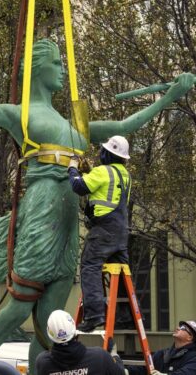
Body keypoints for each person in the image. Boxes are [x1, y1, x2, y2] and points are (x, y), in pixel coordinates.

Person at [0, 27, 194, 375]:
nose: (63, 70)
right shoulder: (20, 114)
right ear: (37, 69)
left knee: (50, 319)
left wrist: (170, 96)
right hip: (42, 207)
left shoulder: (75, 122)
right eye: (56, 62)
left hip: (68, 217)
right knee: (21, 306)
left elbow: (126, 125)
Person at [68, 135, 132, 332]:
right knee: (120, 272)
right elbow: (104, 189)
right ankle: (125, 315)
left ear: (107, 153)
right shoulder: (125, 174)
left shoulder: (103, 171)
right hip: (121, 232)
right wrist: (88, 172)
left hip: (103, 230)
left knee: (89, 266)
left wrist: (72, 168)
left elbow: (78, 187)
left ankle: (94, 315)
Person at [36, 310, 125, 375]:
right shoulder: (99, 357)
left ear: (50, 335)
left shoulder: (42, 363)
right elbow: (121, 373)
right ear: (74, 329)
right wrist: (114, 355)